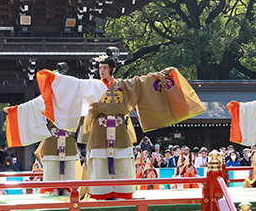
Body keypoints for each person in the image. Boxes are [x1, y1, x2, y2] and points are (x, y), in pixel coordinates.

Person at [33, 55, 204, 200]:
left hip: (120, 128)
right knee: (99, 162)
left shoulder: (126, 85)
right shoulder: (92, 85)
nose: (102, 71)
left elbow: (143, 81)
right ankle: (100, 194)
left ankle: (123, 193)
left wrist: (162, 75)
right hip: (99, 130)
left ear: (113, 69)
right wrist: (56, 78)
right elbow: (73, 85)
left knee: (122, 161)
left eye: (105, 68)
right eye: (100, 68)